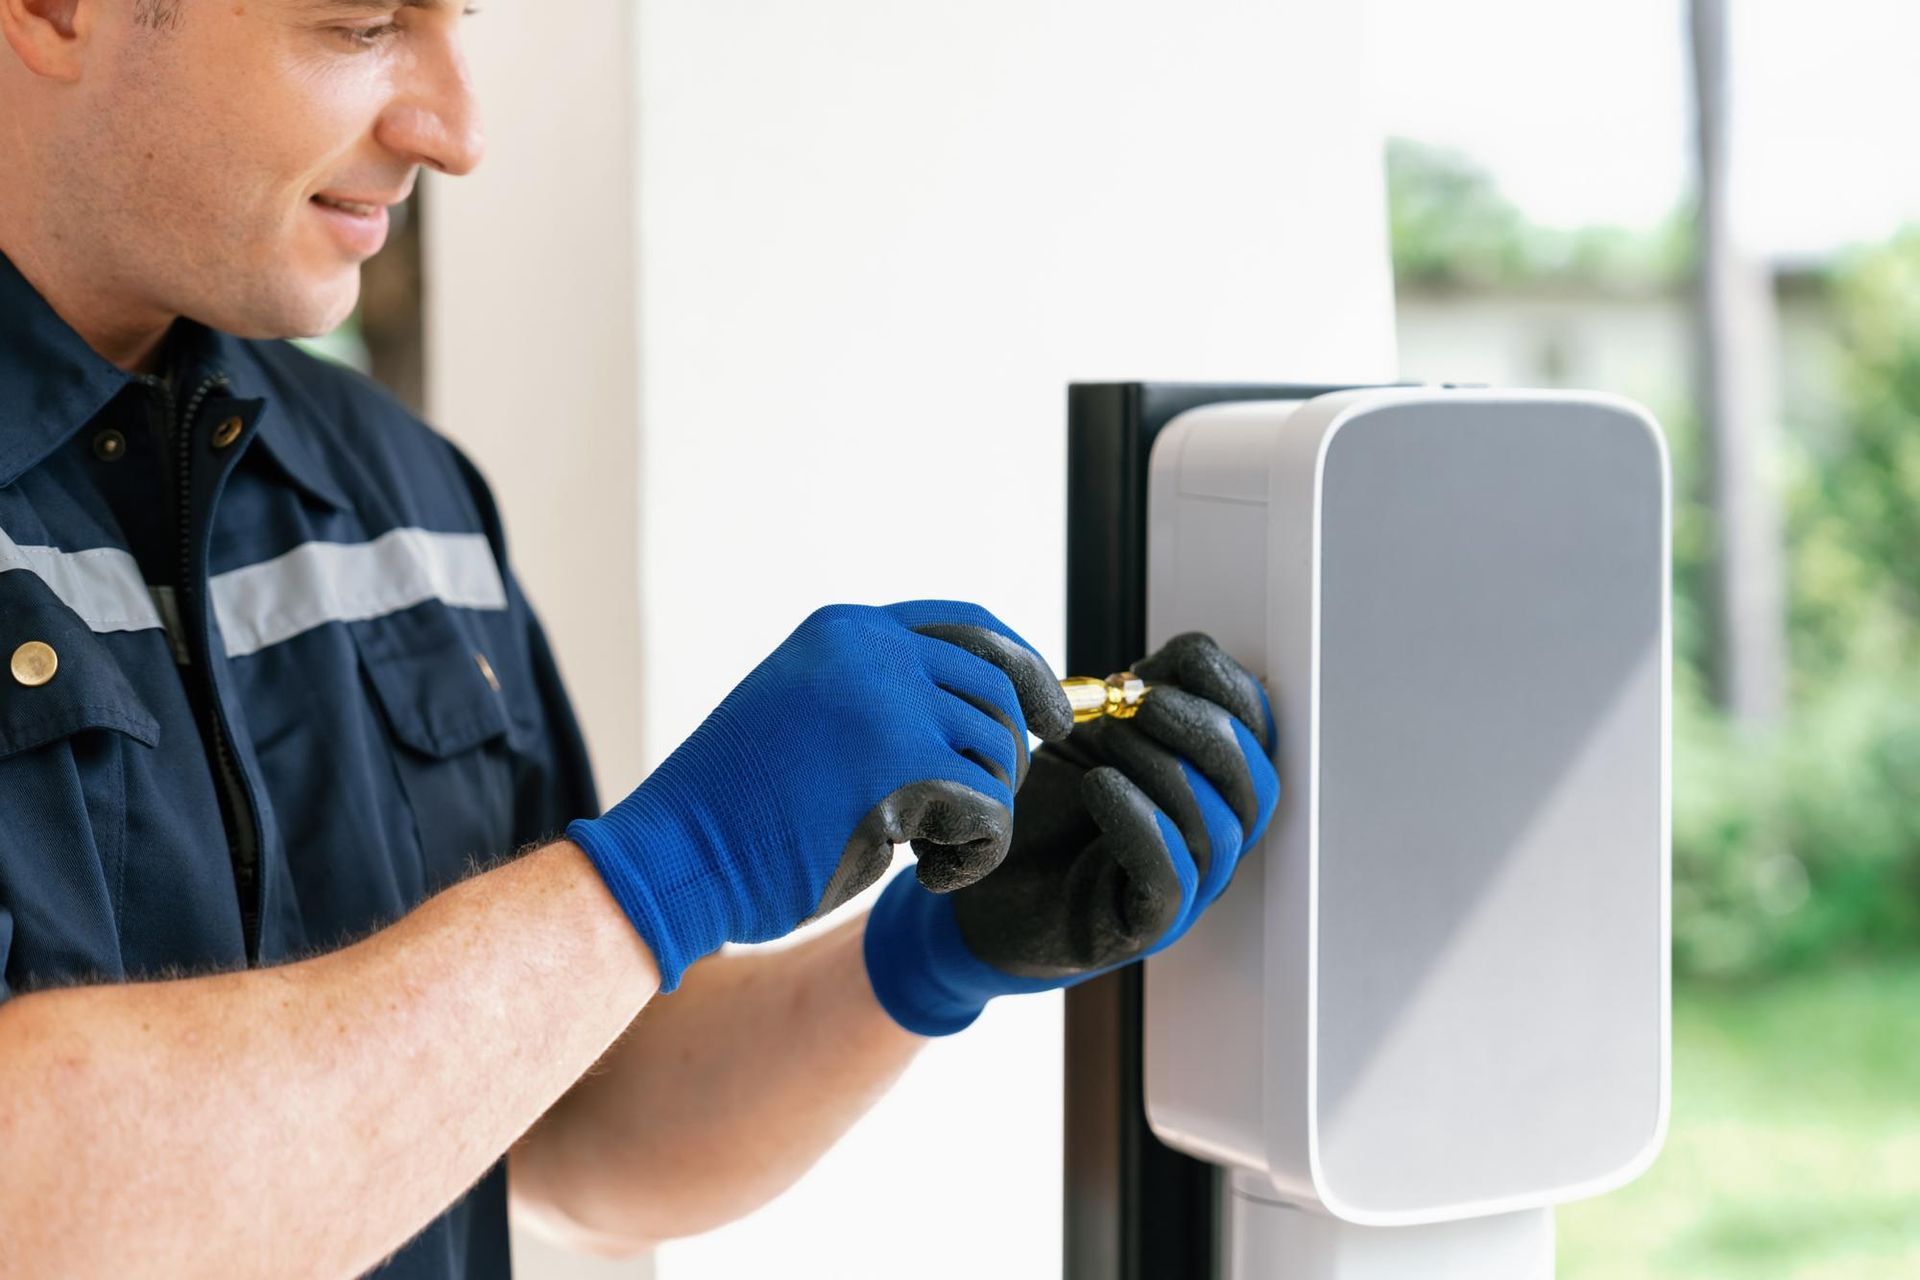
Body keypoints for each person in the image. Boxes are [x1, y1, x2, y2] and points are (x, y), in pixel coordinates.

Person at [0, 2, 1279, 1275]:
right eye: (363, 25)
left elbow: (562, 1126)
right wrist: (667, 869)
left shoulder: (396, 489)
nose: (458, 131)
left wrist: (928, 953)